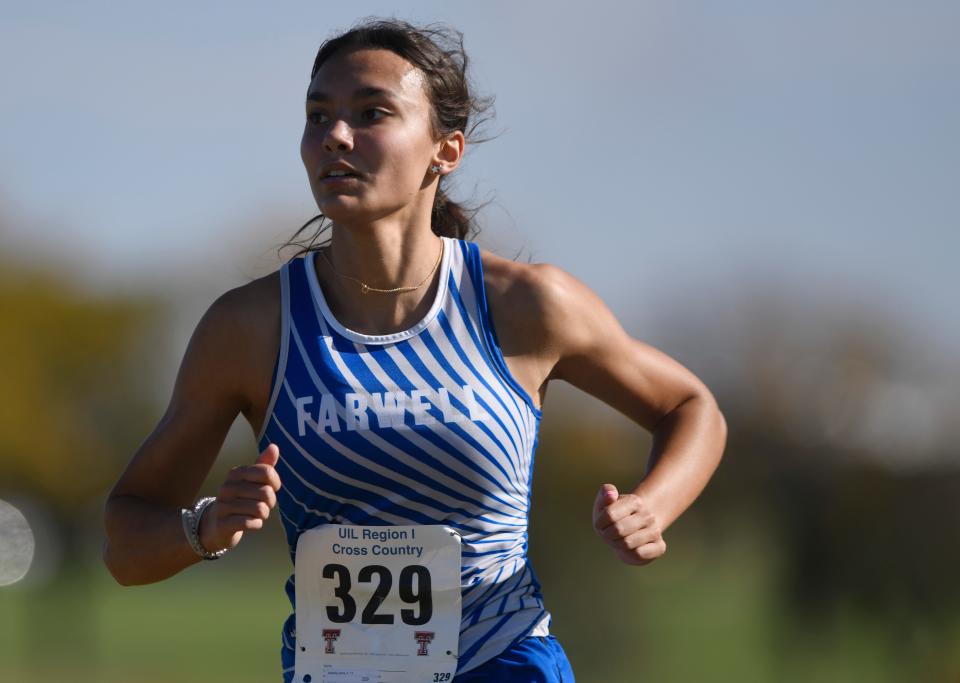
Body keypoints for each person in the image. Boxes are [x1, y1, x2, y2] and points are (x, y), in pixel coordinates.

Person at [103, 18, 727, 683]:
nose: (335, 136)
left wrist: (651, 507)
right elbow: (125, 539)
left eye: (371, 113)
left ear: (445, 149)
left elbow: (691, 406)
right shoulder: (252, 328)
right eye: (318, 116)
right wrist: (207, 525)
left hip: (508, 665)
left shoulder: (526, 307)